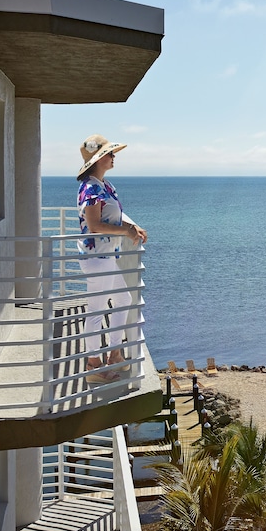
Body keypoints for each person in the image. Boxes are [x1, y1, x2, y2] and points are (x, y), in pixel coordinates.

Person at [76, 134, 148, 384]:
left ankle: (114, 354)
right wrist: (126, 232)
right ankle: (94, 365)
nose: (114, 156)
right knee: (96, 311)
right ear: (98, 159)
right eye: (109, 153)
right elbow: (95, 225)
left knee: (123, 298)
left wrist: (133, 226)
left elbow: (117, 214)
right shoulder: (91, 188)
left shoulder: (105, 186)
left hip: (107, 256)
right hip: (97, 257)